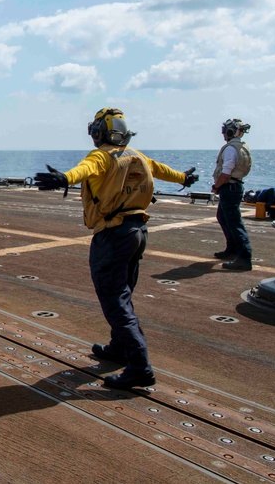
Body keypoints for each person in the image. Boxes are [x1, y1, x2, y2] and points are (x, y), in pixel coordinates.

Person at [34, 108, 198, 390]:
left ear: (100, 132)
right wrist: (183, 178)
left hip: (112, 235)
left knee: (115, 300)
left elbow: (84, 170)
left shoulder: (102, 156)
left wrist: (64, 178)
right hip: (137, 232)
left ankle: (140, 367)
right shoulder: (135, 155)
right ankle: (118, 347)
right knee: (123, 293)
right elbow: (160, 169)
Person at [211, 119, 253, 270]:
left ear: (229, 132)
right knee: (223, 217)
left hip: (229, 188)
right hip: (235, 187)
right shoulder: (242, 147)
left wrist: (216, 186)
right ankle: (232, 249)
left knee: (234, 223)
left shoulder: (230, 149)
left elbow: (226, 172)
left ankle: (244, 257)